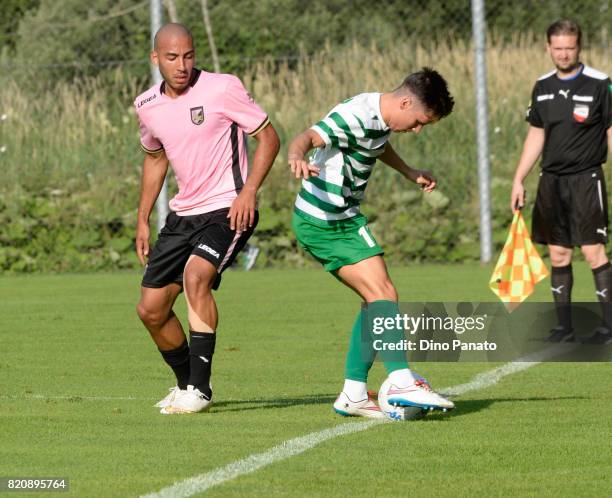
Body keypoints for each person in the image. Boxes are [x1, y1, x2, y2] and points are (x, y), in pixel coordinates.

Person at [288, 67, 455, 418]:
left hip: (344, 219)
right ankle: (400, 379)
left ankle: (353, 394)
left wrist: (409, 171)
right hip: (323, 222)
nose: (418, 129)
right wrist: (296, 157)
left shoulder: (380, 118)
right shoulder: (354, 115)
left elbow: (376, 145)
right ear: (406, 101)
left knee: (375, 301)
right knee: (384, 294)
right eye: (419, 121)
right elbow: (308, 136)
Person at [134, 23, 280, 414]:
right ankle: (186, 385)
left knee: (196, 276)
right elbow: (155, 157)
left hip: (227, 207)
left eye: (188, 55)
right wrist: (143, 218)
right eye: (171, 57)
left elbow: (269, 137)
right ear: (155, 59)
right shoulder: (146, 105)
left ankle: (199, 389)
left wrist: (249, 192)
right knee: (150, 309)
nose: (182, 65)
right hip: (182, 215)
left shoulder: (222, 87)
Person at [510, 19, 612, 345]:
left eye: (570, 48)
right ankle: (563, 328)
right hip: (551, 182)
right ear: (548, 48)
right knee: (557, 254)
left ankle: (608, 327)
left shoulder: (600, 84)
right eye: (558, 48)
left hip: (586, 179)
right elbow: (536, 135)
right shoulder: (541, 87)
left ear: (579, 47)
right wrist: (518, 179)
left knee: (594, 252)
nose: (564, 54)